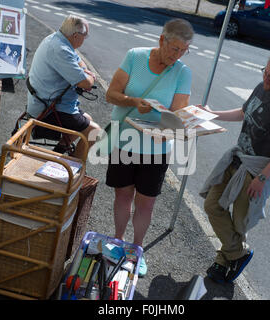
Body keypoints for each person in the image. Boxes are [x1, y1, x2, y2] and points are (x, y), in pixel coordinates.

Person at [200, 49, 270, 284]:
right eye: (265, 73)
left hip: (257, 170)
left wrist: (262, 178)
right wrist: (212, 115)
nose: (266, 80)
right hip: (237, 159)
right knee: (212, 205)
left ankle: (222, 261)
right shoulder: (263, 87)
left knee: (240, 221)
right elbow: (243, 112)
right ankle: (239, 254)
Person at [105, 18, 194, 276]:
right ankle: (118, 240)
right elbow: (110, 94)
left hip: (156, 149)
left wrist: (182, 126)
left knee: (147, 204)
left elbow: (178, 113)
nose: (177, 56)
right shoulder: (135, 56)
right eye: (174, 49)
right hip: (125, 141)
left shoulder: (182, 72)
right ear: (161, 40)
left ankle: (137, 248)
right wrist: (134, 100)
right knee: (122, 195)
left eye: (183, 51)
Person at [26, 15, 100, 156]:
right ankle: (74, 169)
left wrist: (84, 71)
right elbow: (86, 83)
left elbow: (79, 61)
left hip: (45, 100)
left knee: (88, 120)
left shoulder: (57, 39)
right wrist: (89, 76)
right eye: (85, 36)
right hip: (48, 109)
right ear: (76, 35)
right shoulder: (61, 50)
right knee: (95, 131)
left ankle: (57, 154)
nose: (85, 39)